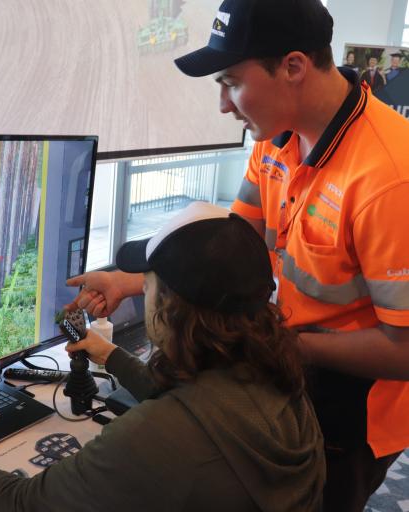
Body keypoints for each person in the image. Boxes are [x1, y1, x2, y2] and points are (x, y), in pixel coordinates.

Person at [67, 0, 409, 510]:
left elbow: (403, 351)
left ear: (293, 66)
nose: (224, 106)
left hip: (351, 413)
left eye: (231, 82)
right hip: (285, 370)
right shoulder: (275, 141)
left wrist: (284, 343)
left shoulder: (388, 178)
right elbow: (228, 248)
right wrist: (130, 280)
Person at [0, 202, 325, 511]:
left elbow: (24, 504)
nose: (141, 293)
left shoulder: (160, 437)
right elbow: (207, 411)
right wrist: (109, 355)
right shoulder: (275, 380)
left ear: (168, 304)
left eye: (146, 284)